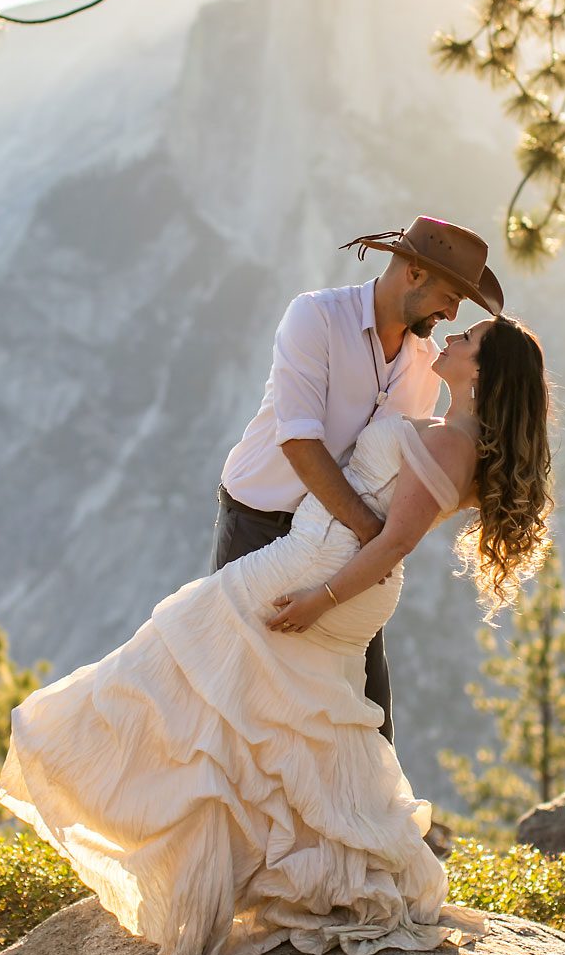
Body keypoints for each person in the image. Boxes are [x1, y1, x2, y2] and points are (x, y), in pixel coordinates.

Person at [0, 301, 554, 955]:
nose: (453, 335)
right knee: (285, 722)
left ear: (482, 372)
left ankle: (193, 873)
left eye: (467, 338)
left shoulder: (448, 442)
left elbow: (396, 540)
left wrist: (320, 598)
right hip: (329, 569)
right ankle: (274, 879)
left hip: (320, 570)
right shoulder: (450, 435)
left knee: (190, 666)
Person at [212, 218, 505, 745]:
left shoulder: (425, 366)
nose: (452, 314)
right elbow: (300, 442)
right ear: (413, 273)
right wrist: (379, 540)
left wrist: (377, 551)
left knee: (363, 710)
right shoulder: (317, 317)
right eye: (450, 295)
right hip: (261, 523)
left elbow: (403, 471)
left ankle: (355, 825)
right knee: (242, 700)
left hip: (350, 549)